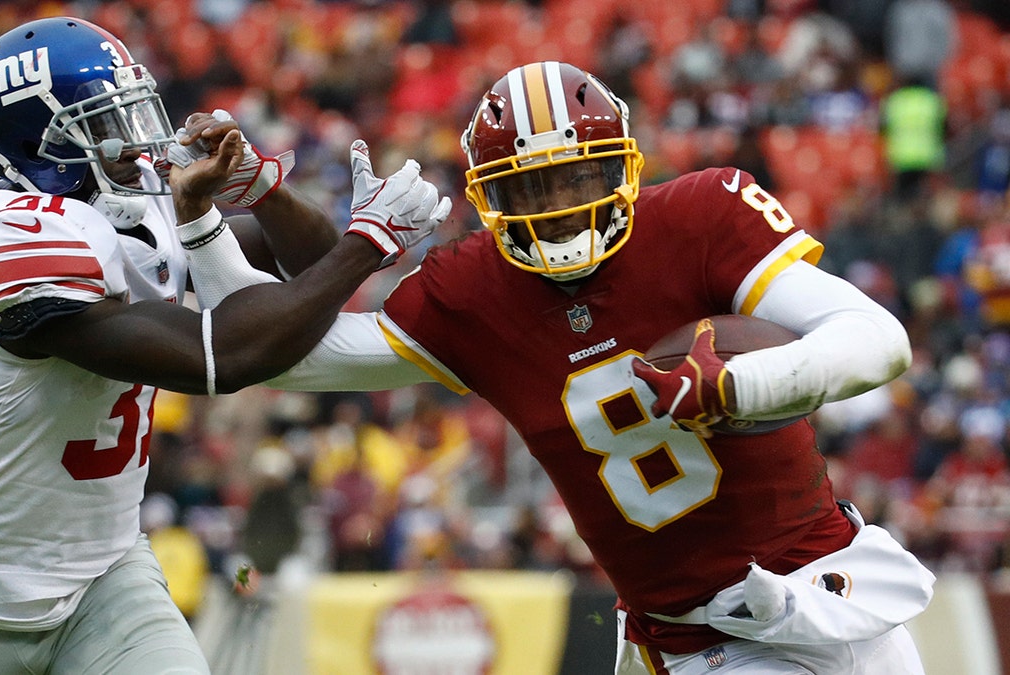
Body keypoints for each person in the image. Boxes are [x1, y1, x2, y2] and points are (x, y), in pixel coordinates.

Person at [240, 61, 935, 673]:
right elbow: (281, 360)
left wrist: (733, 386)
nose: (561, 210)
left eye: (577, 178)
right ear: (491, 198)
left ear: (620, 164)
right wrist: (213, 226)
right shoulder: (474, 289)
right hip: (708, 642)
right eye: (533, 189)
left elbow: (878, 338)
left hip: (843, 587)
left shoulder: (700, 216)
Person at [0, 16, 449, 675]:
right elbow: (226, 355)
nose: (134, 141)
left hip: (106, 575)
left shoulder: (125, 211)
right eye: (104, 123)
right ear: (39, 142)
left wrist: (265, 193)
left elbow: (308, 267)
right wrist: (370, 244)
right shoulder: (10, 246)